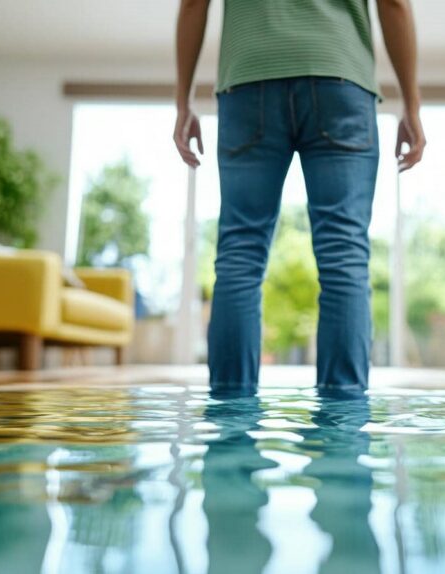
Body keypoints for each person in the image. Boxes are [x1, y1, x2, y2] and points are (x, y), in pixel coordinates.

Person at [174, 0, 425, 395]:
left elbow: (193, 5)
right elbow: (394, 4)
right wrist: (412, 104)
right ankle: (342, 420)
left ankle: (229, 415)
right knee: (343, 254)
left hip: (248, 77)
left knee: (240, 252)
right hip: (339, 76)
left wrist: (182, 99)